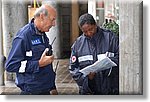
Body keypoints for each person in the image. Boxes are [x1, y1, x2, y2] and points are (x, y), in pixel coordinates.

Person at [5, 5, 58, 95]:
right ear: (42, 17)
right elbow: (11, 65)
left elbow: (47, 65)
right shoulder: (23, 37)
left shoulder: (43, 35)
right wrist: (38, 64)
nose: (54, 24)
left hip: (46, 90)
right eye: (52, 19)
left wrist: (52, 87)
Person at [69, 13, 119, 95]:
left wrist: (110, 62)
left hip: (110, 90)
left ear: (95, 25)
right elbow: (73, 68)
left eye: (91, 29)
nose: (89, 33)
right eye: (85, 31)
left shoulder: (110, 38)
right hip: (89, 92)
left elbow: (121, 58)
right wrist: (86, 78)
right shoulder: (78, 44)